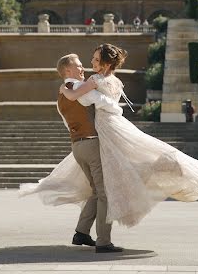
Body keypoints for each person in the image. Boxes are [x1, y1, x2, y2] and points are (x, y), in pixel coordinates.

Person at [21, 44, 198, 230]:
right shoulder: (110, 82)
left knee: (107, 183)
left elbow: (78, 101)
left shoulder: (90, 82)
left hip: (95, 134)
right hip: (110, 130)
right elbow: (103, 100)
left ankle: (89, 234)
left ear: (106, 64)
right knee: (123, 173)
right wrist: (113, 108)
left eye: (95, 60)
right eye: (87, 61)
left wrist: (64, 89)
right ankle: (101, 238)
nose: (89, 65)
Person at [19, 53, 123, 253]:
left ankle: (82, 232)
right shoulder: (78, 89)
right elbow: (107, 105)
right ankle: (103, 241)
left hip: (77, 147)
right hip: (92, 144)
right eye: (79, 66)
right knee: (104, 194)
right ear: (67, 70)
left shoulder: (61, 95)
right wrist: (115, 102)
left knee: (95, 191)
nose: (83, 69)